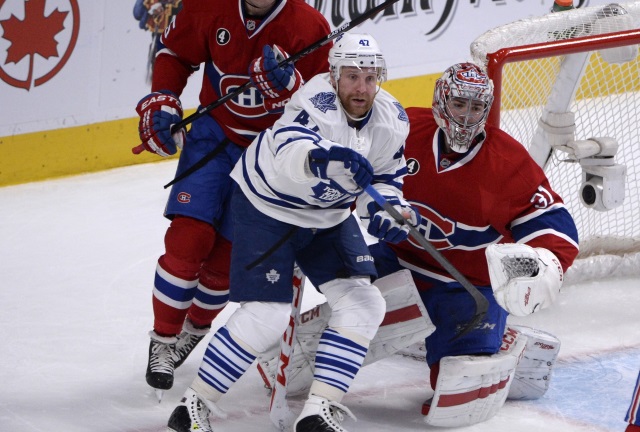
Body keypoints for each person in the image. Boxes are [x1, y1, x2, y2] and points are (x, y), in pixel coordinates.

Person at [165, 32, 419, 432]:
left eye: (370, 78)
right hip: (269, 208)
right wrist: (324, 158)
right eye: (352, 76)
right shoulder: (313, 102)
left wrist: (388, 212)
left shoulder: (392, 119)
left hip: (328, 216)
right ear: (334, 75)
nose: (362, 87)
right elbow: (288, 155)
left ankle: (319, 411)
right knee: (269, 315)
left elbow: (386, 180)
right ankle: (193, 405)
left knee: (365, 303)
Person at [363, 62, 580, 427]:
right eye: (460, 104)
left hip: (467, 287)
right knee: (339, 308)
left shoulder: (507, 163)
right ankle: (428, 326)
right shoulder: (402, 130)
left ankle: (507, 344)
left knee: (459, 392)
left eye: (477, 107)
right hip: (397, 261)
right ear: (440, 100)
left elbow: (550, 221)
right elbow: (352, 155)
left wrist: (545, 262)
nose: (467, 117)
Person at [134, 0, 331, 398]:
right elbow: (175, 53)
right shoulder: (210, 6)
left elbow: (326, 107)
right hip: (213, 137)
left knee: (224, 262)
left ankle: (194, 329)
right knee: (188, 240)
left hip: (270, 154)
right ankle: (163, 339)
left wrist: (289, 93)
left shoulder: (308, 27)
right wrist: (163, 97)